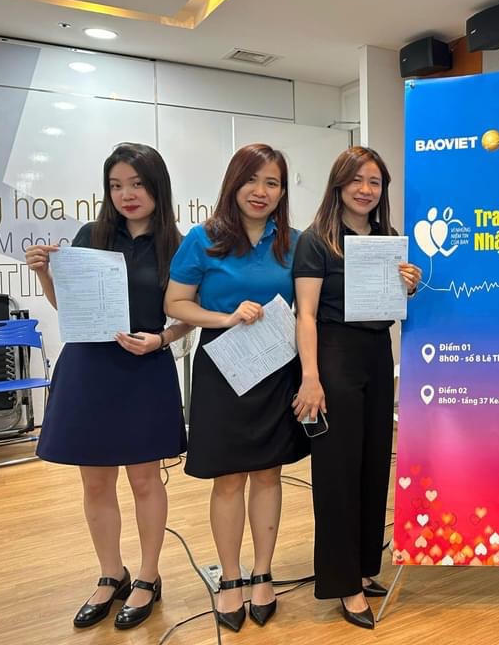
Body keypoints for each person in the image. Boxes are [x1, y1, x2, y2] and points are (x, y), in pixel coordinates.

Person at [30, 143, 188, 630]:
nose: (126, 194)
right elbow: (68, 307)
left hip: (144, 368)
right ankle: (110, 574)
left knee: (144, 480)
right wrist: (45, 274)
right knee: (95, 481)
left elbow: (186, 314)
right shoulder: (91, 236)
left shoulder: (178, 245)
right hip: (89, 369)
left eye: (137, 184)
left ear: (157, 186)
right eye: (116, 185)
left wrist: (162, 339)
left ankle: (148, 577)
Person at [164, 143, 306, 632]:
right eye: (251, 179)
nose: (261, 191)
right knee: (228, 479)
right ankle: (230, 577)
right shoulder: (203, 239)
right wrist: (224, 317)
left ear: (282, 192)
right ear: (234, 183)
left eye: (272, 182)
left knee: (268, 474)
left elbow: (313, 304)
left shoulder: (294, 242)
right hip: (222, 370)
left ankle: (262, 573)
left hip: (275, 371)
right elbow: (176, 303)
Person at [292, 146, 422, 630]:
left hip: (376, 353)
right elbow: (305, 314)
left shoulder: (387, 239)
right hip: (334, 355)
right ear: (339, 184)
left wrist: (408, 284)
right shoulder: (316, 241)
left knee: (372, 464)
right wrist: (311, 377)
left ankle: (365, 568)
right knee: (338, 472)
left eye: (375, 182)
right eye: (357, 180)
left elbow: (389, 303)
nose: (365, 190)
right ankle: (343, 583)